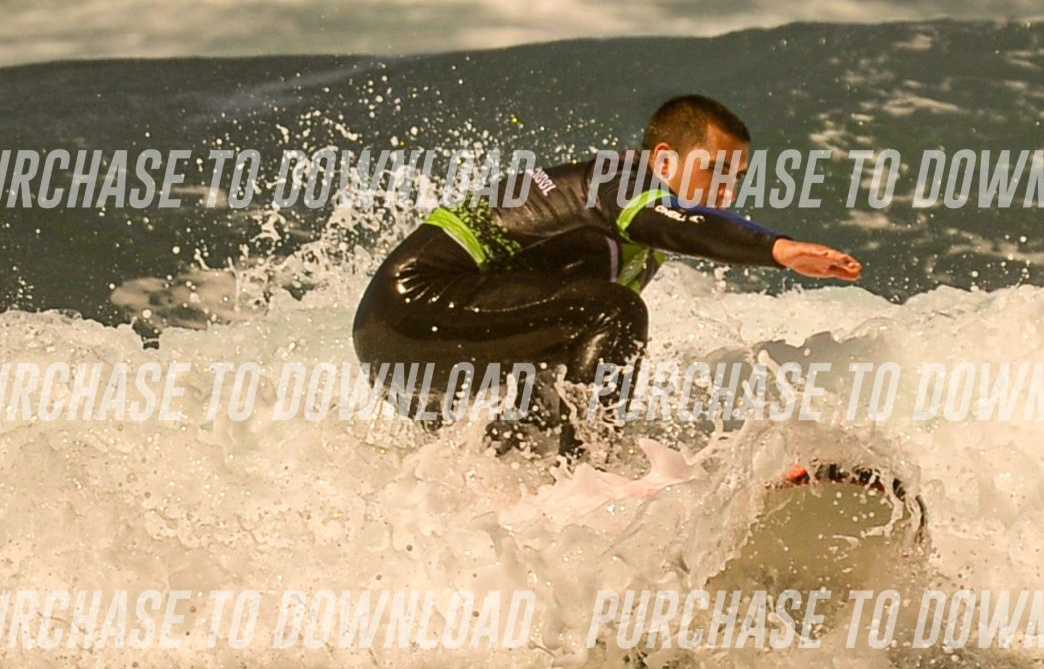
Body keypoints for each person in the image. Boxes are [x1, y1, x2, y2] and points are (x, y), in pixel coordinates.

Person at [351, 96, 860, 456]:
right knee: (613, 312)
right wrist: (777, 248)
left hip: (415, 341)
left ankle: (521, 502)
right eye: (715, 172)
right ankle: (591, 477)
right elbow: (677, 225)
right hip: (414, 303)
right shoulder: (622, 183)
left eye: (738, 179)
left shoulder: (630, 232)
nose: (727, 194)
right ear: (665, 160)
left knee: (542, 411)